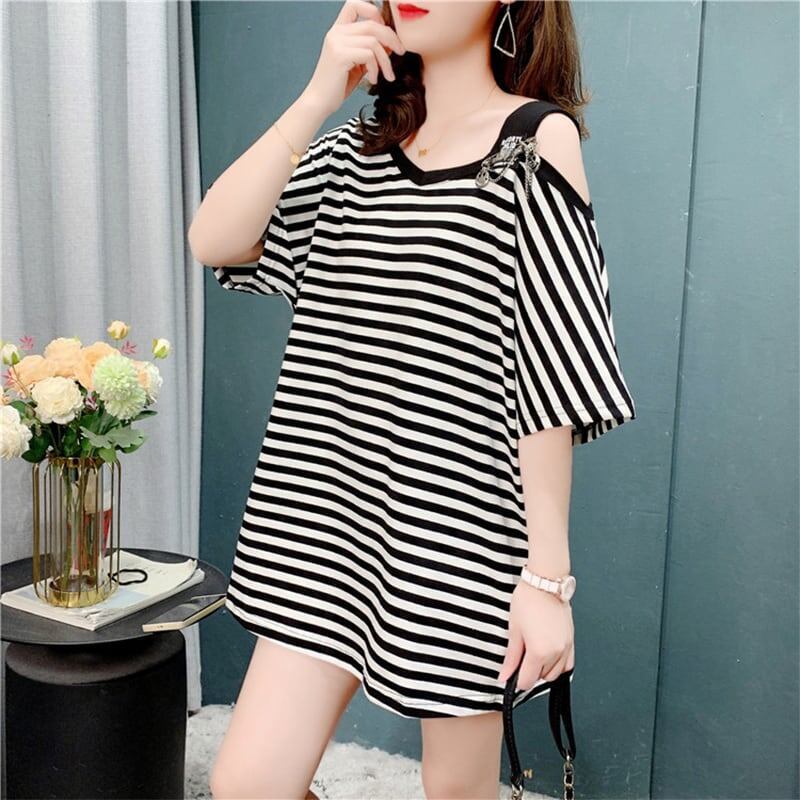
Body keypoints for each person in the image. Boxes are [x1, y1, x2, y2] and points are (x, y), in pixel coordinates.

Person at [189, 0, 637, 797]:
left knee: (456, 793)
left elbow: (550, 365)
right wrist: (318, 95)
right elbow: (216, 240)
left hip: (453, 536)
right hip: (319, 519)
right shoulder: (354, 151)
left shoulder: (533, 143)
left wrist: (547, 581)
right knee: (247, 784)